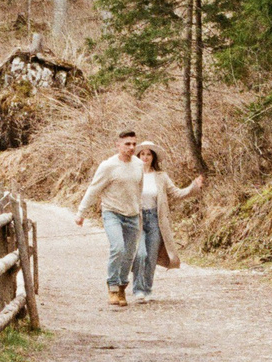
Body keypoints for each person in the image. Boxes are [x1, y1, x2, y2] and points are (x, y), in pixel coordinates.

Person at [73, 129, 147, 307]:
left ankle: (122, 288)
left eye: (134, 144)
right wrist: (81, 213)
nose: (131, 147)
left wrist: (139, 211)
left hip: (132, 214)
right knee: (118, 247)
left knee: (130, 253)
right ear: (118, 145)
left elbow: (139, 189)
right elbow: (94, 189)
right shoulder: (108, 166)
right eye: (127, 144)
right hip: (112, 212)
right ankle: (112, 287)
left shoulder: (138, 165)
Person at [131, 142, 202, 302]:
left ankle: (146, 290)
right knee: (140, 254)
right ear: (138, 156)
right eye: (142, 154)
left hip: (156, 220)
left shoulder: (161, 176)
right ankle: (137, 289)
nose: (145, 157)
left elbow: (176, 193)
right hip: (138, 219)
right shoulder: (133, 175)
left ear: (153, 157)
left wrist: (194, 187)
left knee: (151, 257)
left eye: (148, 154)